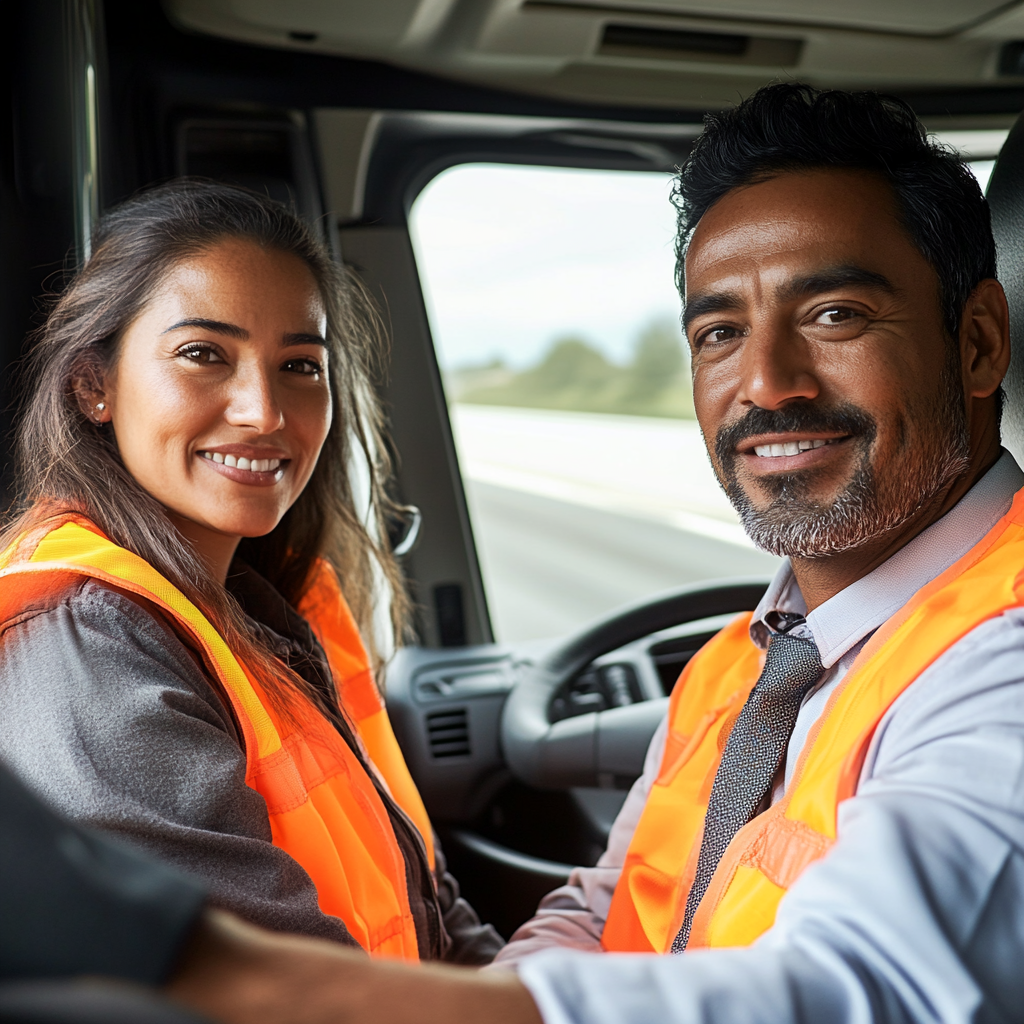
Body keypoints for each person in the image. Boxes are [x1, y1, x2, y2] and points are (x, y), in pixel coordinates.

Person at [162, 82, 1024, 1023]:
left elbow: (861, 990)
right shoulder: (745, 661)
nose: (767, 385)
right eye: (720, 333)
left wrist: (242, 978)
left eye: (835, 316)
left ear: (979, 344)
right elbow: (617, 906)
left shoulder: (1002, 655)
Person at [0, 180, 500, 966]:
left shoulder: (262, 612)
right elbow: (272, 987)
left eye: (300, 365)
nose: (264, 410)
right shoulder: (90, 638)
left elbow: (422, 898)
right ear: (94, 384)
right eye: (204, 354)